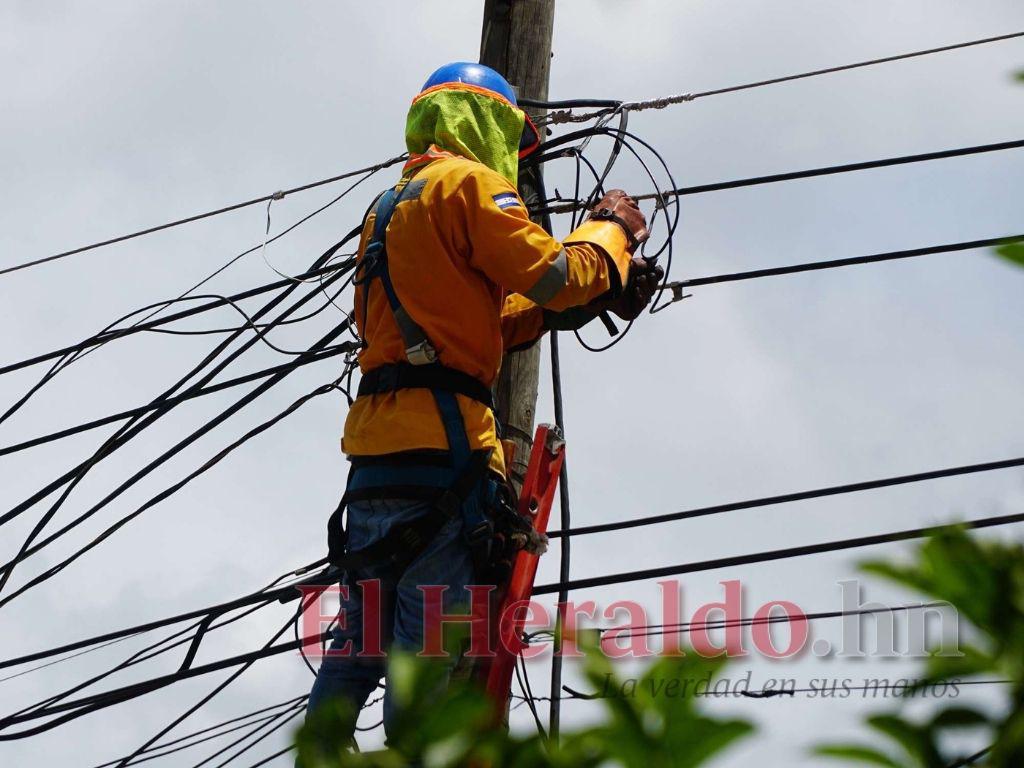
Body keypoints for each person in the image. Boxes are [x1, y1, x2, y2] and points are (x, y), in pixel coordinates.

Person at [306, 61, 662, 741]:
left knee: (357, 646)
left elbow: (473, 328)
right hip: (446, 463)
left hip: (376, 469)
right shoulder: (470, 185)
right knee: (425, 663)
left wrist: (576, 306)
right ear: (491, 125)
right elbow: (557, 274)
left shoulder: (388, 207)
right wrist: (610, 233)